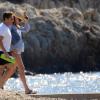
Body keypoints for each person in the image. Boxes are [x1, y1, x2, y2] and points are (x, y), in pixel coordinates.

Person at [10, 10, 36, 94]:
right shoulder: (11, 27)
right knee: (21, 68)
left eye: (20, 19)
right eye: (19, 19)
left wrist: (25, 20)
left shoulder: (17, 27)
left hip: (17, 51)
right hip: (14, 52)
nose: (19, 20)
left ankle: (1, 84)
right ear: (14, 19)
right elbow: (7, 39)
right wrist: (10, 49)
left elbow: (27, 29)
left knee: (11, 69)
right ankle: (26, 89)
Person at [0, 12, 17, 88]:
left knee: (1, 69)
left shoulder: (5, 27)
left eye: (13, 19)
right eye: (11, 19)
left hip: (4, 52)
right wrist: (6, 53)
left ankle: (1, 85)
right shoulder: (3, 28)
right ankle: (1, 84)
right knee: (13, 66)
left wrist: (10, 50)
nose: (12, 20)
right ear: (6, 19)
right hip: (2, 53)